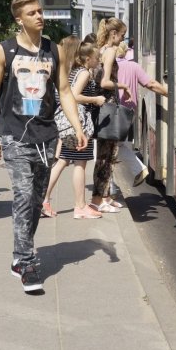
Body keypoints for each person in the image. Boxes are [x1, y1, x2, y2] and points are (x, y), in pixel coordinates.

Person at [0, 0, 87, 293]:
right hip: (14, 134)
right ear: (20, 19)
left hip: (46, 135)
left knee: (36, 199)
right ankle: (26, 261)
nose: (39, 16)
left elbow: (65, 90)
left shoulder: (52, 50)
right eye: (32, 13)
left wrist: (77, 127)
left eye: (40, 11)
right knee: (23, 195)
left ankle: (21, 251)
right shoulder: (4, 50)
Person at [42, 37, 105, 219]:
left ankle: (43, 199)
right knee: (79, 163)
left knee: (63, 161)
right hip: (77, 124)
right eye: (96, 57)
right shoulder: (83, 73)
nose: (99, 60)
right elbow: (75, 96)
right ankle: (80, 206)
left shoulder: (74, 71)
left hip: (69, 122)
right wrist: (95, 99)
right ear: (88, 58)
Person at [91, 17, 132, 213]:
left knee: (104, 155)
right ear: (113, 34)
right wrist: (123, 85)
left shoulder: (100, 51)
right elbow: (105, 82)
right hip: (109, 106)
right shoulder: (110, 52)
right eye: (122, 35)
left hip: (103, 108)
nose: (123, 39)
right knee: (107, 156)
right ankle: (98, 199)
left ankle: (103, 196)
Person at [114, 41, 168, 187]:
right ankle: (113, 185)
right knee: (119, 145)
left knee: (113, 147)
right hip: (128, 111)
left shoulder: (109, 66)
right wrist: (169, 93)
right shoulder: (133, 66)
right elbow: (150, 84)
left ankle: (112, 187)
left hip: (112, 111)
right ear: (125, 52)